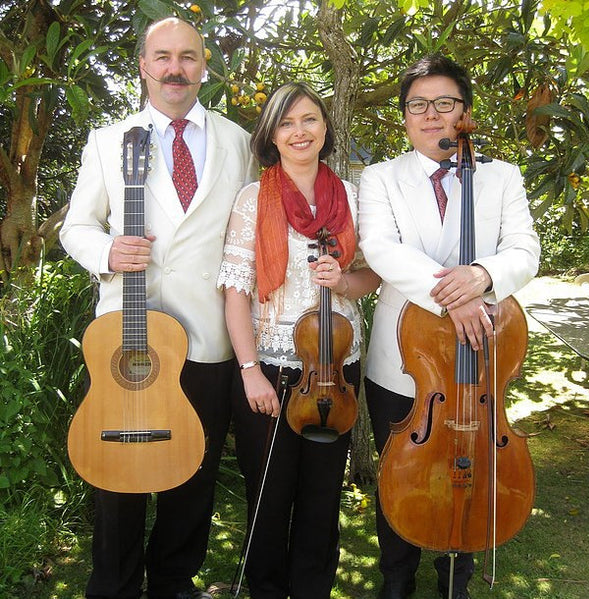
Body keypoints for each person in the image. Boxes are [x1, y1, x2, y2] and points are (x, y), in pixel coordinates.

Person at [60, 17, 255, 599]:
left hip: (209, 338)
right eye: (163, 57)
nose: (176, 68)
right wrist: (107, 251)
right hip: (127, 338)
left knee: (191, 474)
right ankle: (114, 584)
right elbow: (76, 227)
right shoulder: (107, 141)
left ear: (204, 65)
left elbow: (249, 232)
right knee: (116, 471)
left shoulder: (239, 143)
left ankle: (173, 581)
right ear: (144, 66)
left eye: (188, 57)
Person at [358, 54, 540, 599]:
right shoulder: (380, 177)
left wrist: (482, 275)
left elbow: (526, 250)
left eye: (445, 103)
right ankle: (397, 577)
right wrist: (452, 298)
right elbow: (379, 248)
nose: (432, 115)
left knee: (477, 465)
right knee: (403, 470)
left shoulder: (501, 176)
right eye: (419, 105)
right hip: (404, 362)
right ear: (405, 116)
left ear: (464, 111)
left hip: (482, 358)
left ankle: (457, 573)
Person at [218, 81, 380, 599]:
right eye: (286, 123)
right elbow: (237, 293)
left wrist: (344, 281)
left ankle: (312, 589)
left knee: (321, 498)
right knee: (267, 497)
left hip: (337, 371)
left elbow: (370, 276)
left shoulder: (353, 196)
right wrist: (249, 371)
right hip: (270, 370)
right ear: (271, 134)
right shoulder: (253, 199)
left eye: (309, 119)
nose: (299, 131)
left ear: (325, 127)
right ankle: (266, 589)